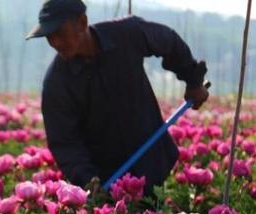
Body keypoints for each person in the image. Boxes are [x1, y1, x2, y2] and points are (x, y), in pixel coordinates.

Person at [27, 0, 209, 196]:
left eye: (60, 33)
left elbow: (169, 43)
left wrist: (193, 81)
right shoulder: (57, 83)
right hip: (108, 182)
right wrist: (87, 178)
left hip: (153, 162)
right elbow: (64, 142)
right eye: (49, 37)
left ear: (82, 22)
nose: (55, 43)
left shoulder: (126, 33)